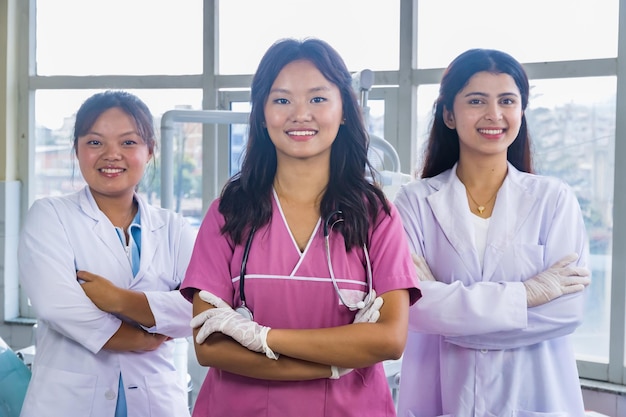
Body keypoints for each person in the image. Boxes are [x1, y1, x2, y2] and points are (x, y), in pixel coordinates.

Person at [180, 37, 421, 417]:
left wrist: (262, 338)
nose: (300, 114)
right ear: (261, 113)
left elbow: (390, 339)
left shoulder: (375, 216)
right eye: (281, 100)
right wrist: (335, 361)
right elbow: (209, 345)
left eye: (318, 98)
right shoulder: (228, 213)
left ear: (344, 110)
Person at [394, 48, 592, 417]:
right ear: (449, 115)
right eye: (476, 101)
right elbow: (411, 312)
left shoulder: (553, 199)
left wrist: (447, 310)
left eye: (507, 101)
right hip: (440, 400)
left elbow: (567, 311)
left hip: (533, 397)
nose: (494, 115)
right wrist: (526, 295)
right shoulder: (414, 203)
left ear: (521, 111)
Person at [18, 90, 196, 417]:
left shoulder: (173, 228)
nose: (112, 154)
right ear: (76, 150)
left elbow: (200, 308)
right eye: (95, 142)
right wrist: (141, 337)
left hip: (156, 402)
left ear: (149, 150)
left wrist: (116, 299)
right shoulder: (50, 215)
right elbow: (57, 305)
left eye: (128, 142)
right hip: (67, 403)